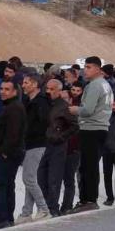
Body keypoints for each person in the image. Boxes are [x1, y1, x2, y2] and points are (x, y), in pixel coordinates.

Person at [68, 56, 113, 214]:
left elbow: (87, 110)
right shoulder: (105, 84)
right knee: (90, 166)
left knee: (87, 167)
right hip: (100, 128)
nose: (85, 70)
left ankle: (88, 200)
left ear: (98, 69)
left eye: (88, 67)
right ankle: (88, 199)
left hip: (91, 129)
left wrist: (75, 110)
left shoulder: (94, 85)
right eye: (85, 67)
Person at [0, 81, 27, 231]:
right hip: (11, 152)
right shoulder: (12, 106)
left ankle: (2, 218)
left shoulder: (14, 108)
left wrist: (4, 151)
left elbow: (13, 133)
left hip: (8, 154)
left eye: (7, 89)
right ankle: (7, 217)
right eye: (1, 89)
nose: (2, 92)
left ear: (15, 91)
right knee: (7, 185)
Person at [37, 79, 78, 217]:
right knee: (41, 176)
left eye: (52, 89)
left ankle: (53, 208)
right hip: (44, 144)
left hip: (58, 146)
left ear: (59, 91)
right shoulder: (46, 104)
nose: (48, 91)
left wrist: (61, 137)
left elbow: (74, 126)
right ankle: (45, 206)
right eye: (47, 88)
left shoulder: (64, 107)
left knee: (54, 178)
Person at [16, 73, 51, 224]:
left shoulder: (41, 102)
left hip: (37, 144)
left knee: (28, 179)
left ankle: (44, 209)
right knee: (29, 179)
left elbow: (42, 123)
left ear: (35, 84)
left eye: (26, 83)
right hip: (29, 143)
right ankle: (26, 213)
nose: (23, 85)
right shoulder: (27, 101)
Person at [61, 82, 84, 213]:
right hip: (62, 148)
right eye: (73, 90)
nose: (75, 92)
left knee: (70, 179)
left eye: (77, 90)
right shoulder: (61, 109)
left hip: (74, 149)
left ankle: (67, 205)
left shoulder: (80, 109)